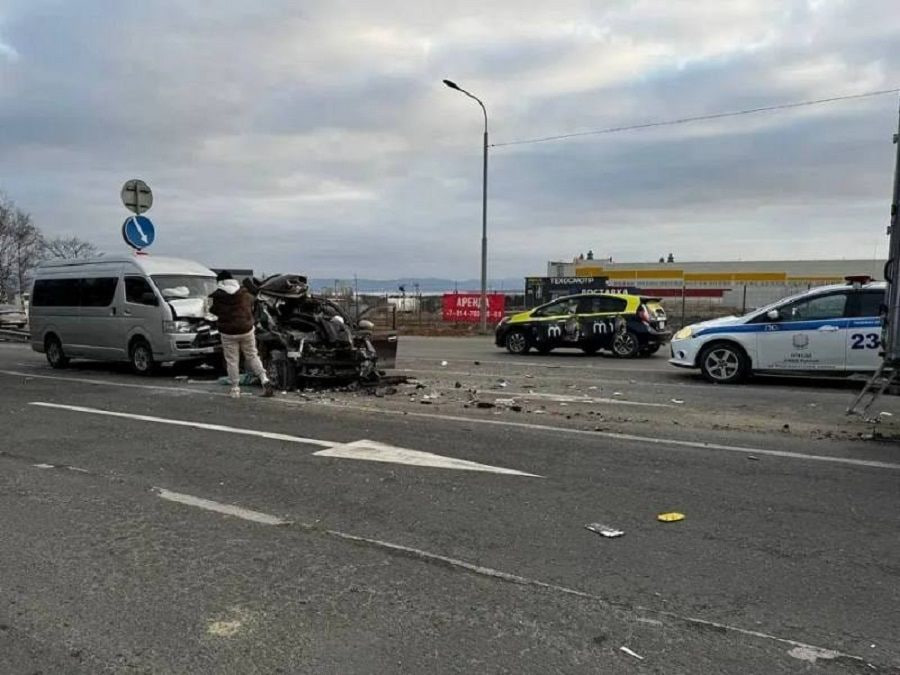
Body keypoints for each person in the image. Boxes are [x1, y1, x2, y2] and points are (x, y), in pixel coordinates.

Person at [209, 271, 274, 399]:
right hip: (246, 329)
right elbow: (252, 306)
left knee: (232, 360)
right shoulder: (245, 293)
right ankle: (264, 380)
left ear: (220, 282)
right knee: (252, 355)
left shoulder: (218, 296)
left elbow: (213, 310)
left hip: (228, 333)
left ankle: (235, 389)